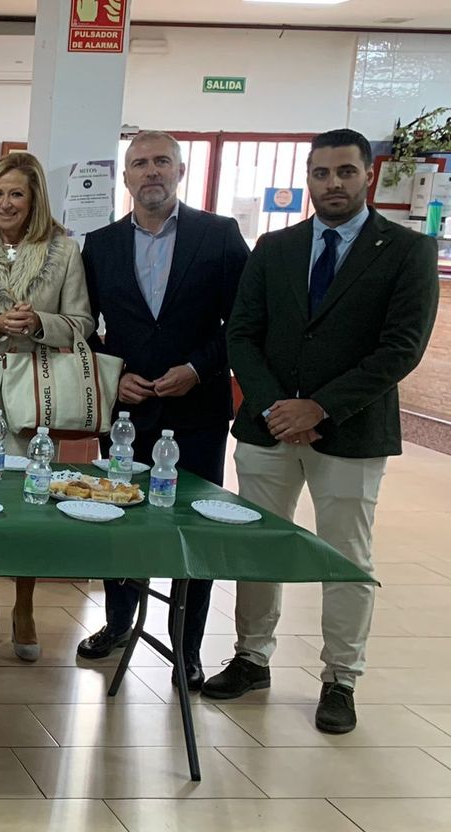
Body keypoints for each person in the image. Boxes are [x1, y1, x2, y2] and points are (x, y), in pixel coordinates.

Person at [208, 128, 439, 734]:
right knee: (259, 546)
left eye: (344, 172)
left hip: (351, 431)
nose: (331, 184)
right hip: (268, 428)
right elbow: (242, 333)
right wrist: (278, 405)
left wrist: (320, 409)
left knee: (346, 556)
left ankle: (341, 677)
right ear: (307, 179)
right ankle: (251, 657)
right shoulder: (274, 246)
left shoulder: (407, 251)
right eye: (320, 173)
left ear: (369, 176)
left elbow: (401, 349)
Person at [76, 132, 250, 691]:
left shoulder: (218, 236)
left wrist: (199, 369)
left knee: (189, 530)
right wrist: (113, 376)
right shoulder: (99, 245)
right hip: (128, 414)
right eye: (139, 164)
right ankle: (118, 624)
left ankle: (188, 648)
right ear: (124, 177)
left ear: (179, 170)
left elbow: (243, 324)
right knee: (118, 522)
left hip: (196, 410)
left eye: (161, 162)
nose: (151, 172)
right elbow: (87, 329)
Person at [0, 151, 94, 663]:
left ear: (34, 201)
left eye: (16, 194)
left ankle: (24, 606)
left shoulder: (65, 251)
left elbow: (82, 323)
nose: (5, 203)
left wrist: (39, 325)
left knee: (29, 501)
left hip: (36, 393)